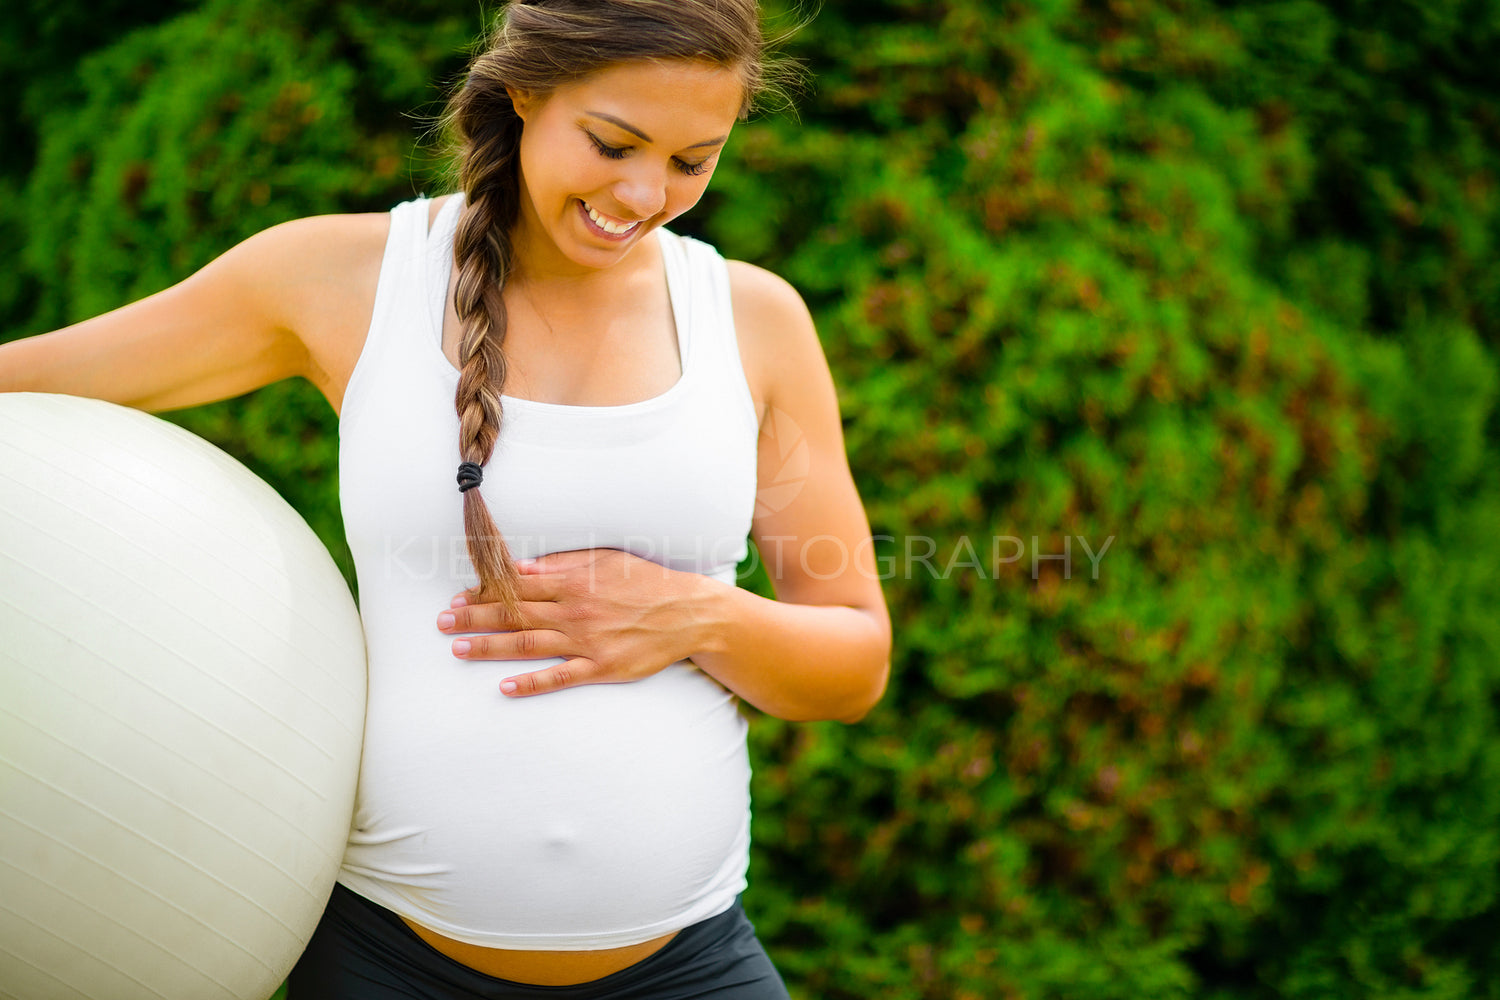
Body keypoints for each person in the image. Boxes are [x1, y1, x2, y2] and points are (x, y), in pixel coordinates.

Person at [0, 0, 891, 996]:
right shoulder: (340, 279)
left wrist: (696, 613)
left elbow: (852, 659)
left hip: (687, 966)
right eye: (612, 143)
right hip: (387, 963)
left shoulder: (755, 320)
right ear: (524, 92)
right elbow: (29, 382)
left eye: (694, 160)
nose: (645, 192)